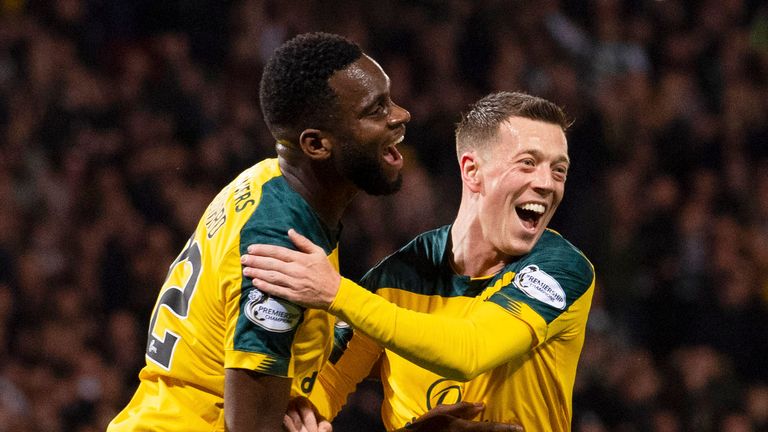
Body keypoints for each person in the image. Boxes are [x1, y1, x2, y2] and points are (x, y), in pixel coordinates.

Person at [106, 32, 411, 431]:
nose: (400, 115)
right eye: (376, 110)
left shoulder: (268, 184)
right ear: (316, 144)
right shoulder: (279, 246)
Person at [241, 91, 596, 431]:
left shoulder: (561, 270)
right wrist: (300, 415)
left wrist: (337, 292)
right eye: (528, 163)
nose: (547, 183)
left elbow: (470, 351)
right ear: (472, 171)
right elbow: (321, 390)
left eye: (558, 170)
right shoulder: (397, 278)